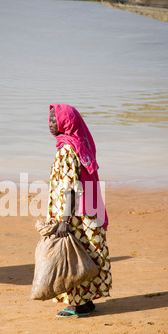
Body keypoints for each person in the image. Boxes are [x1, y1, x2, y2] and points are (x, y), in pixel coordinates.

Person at [47, 104, 112, 317]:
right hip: (88, 209)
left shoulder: (66, 150)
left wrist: (64, 220)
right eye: (49, 118)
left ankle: (78, 304)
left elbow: (69, 188)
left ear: (66, 122)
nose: (50, 123)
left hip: (74, 213)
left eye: (54, 119)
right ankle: (87, 299)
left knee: (73, 255)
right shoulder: (81, 145)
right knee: (88, 251)